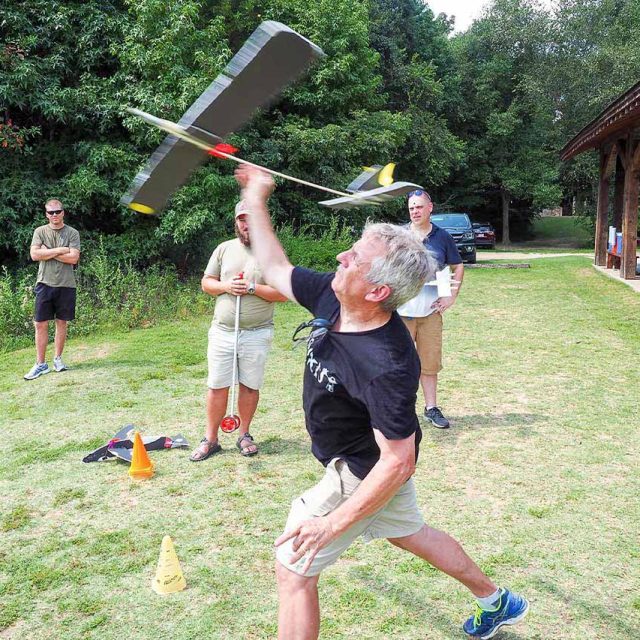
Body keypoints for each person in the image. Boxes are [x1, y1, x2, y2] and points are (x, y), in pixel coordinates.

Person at [235, 165, 529, 640]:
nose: (339, 257)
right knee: (408, 532)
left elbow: (398, 462)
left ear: (377, 291)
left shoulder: (388, 364)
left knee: (293, 569)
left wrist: (331, 525)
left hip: (361, 470)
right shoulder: (335, 297)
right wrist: (256, 197)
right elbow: (276, 267)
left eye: (352, 258)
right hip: (364, 462)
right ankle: (497, 601)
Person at [189, 200, 287, 461]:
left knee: (249, 385)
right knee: (217, 385)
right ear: (236, 222)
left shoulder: (273, 253)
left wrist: (252, 288)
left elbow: (283, 293)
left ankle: (244, 434)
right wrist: (226, 286)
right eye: (242, 219)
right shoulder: (224, 249)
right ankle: (211, 439)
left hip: (257, 333)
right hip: (223, 332)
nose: (247, 224)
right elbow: (207, 283)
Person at [397, 189, 465, 429]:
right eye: (411, 208)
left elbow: (456, 267)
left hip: (430, 314)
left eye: (419, 207)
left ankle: (431, 408)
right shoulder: (399, 236)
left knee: (429, 364)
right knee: (400, 364)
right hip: (401, 313)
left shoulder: (442, 237)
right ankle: (400, 410)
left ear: (430, 208)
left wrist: (450, 296)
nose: (415, 211)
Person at [24, 199, 81, 380]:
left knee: (61, 322)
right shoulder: (39, 231)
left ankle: (57, 359)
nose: (54, 215)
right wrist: (62, 250)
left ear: (63, 212)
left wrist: (48, 251)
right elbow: (34, 255)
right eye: (51, 212)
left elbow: (73, 259)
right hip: (44, 283)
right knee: (40, 323)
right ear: (46, 214)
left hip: (66, 284)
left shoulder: (73, 233)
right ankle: (41, 364)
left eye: (57, 211)